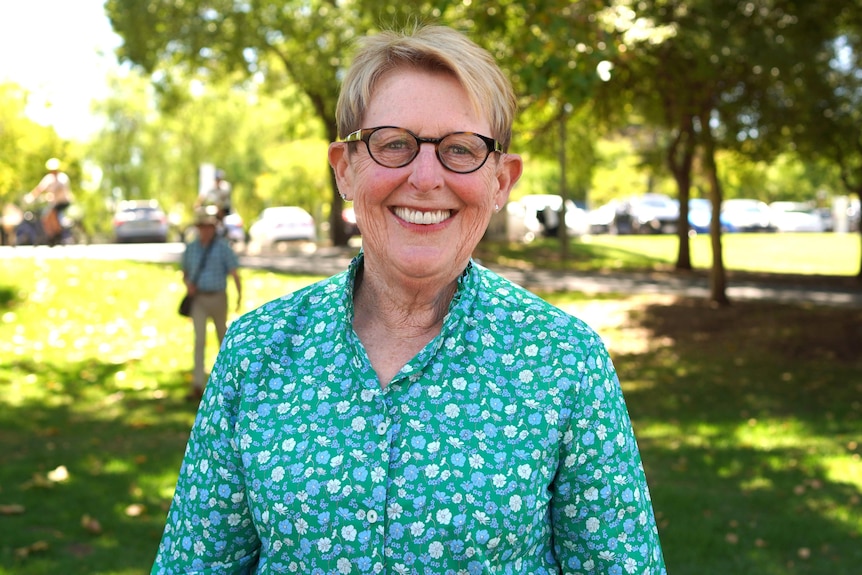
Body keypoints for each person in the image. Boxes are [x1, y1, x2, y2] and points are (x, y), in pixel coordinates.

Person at [152, 24, 667, 574]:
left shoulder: (563, 360)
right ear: (345, 168)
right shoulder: (256, 351)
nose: (424, 177)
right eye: (393, 143)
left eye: (461, 150)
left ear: (501, 181)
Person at [180, 207, 242, 401]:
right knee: (199, 340)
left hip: (218, 297)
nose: (205, 230)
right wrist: (188, 284)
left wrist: (239, 296)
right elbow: (185, 271)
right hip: (199, 298)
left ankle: (228, 384)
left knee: (222, 338)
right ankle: (197, 384)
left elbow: (234, 272)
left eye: (209, 227)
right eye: (202, 227)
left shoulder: (222, 247)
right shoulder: (191, 248)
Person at [25, 158, 73, 242]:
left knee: (53, 213)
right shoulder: (48, 179)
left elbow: (59, 190)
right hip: (54, 202)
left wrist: (51, 195)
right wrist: (31, 196)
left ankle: (59, 233)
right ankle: (52, 234)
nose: (53, 171)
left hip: (63, 201)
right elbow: (39, 189)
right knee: (45, 217)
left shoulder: (62, 178)